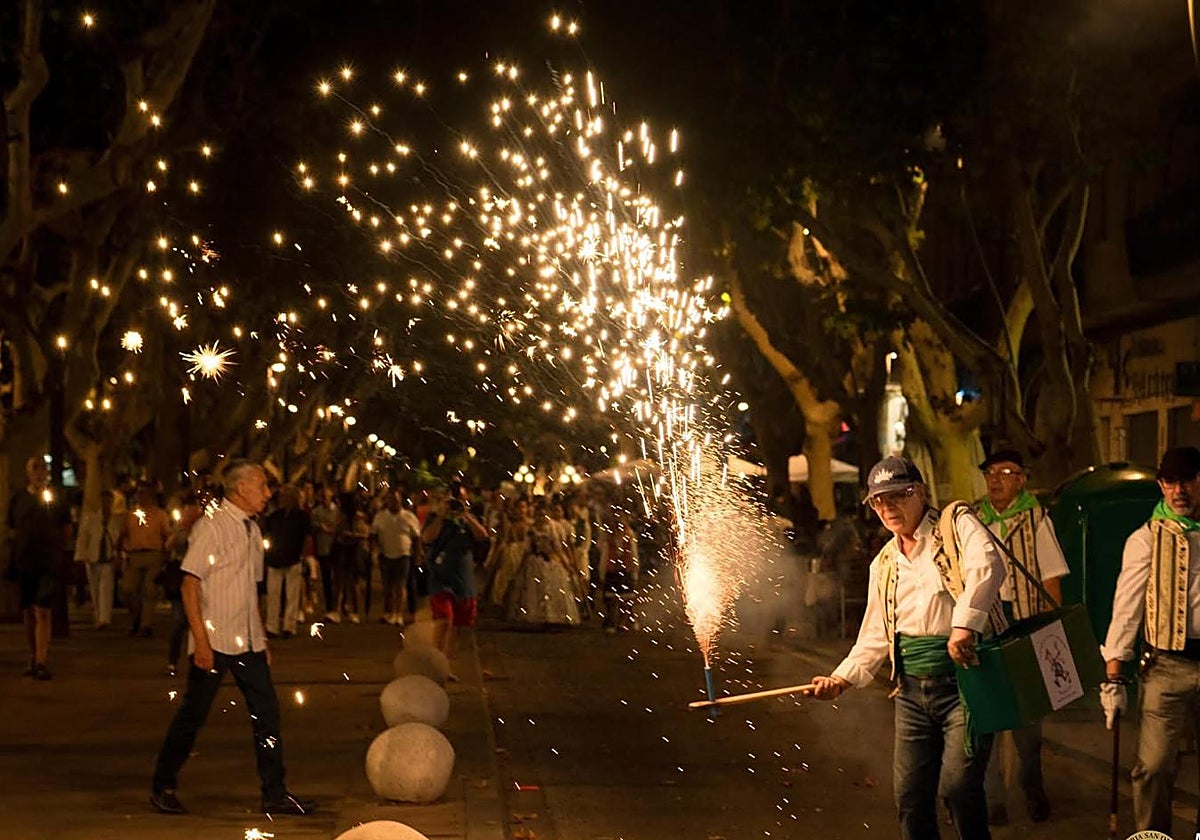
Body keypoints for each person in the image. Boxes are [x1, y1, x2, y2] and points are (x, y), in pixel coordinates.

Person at [806, 456, 1005, 840]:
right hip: (912, 693)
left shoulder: (956, 525)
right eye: (879, 501)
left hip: (966, 683)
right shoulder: (884, 564)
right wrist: (839, 679)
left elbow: (988, 566)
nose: (888, 507)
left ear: (921, 493)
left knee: (959, 787)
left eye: (899, 495)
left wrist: (963, 626)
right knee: (911, 797)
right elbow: (875, 635)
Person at [149, 459, 315, 816]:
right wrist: (201, 642)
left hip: (247, 641)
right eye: (261, 485)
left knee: (267, 712)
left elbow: (248, 589)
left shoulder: (251, 530)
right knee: (194, 713)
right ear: (240, 488)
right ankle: (163, 783)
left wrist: (261, 637)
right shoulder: (213, 526)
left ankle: (274, 791)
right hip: (215, 638)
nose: (267, 493)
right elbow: (190, 584)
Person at [1101, 445, 1200, 835]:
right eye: (1170, 482)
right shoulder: (1145, 539)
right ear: (1160, 485)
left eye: (1187, 480)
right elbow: (1126, 608)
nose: (1179, 491)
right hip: (1166, 667)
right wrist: (1113, 677)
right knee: (1154, 767)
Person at [974, 449, 1068, 825]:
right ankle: (992, 799)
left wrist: (1050, 633)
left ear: (1021, 479)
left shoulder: (1035, 518)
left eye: (1005, 472)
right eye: (990, 473)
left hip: (1024, 620)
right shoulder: (974, 519)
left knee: (1027, 716)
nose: (995, 480)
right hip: (984, 623)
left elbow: (1051, 578)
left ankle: (1032, 788)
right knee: (988, 713)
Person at [7, 457, 71, 680]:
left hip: (48, 561)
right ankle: (33, 655)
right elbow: (12, 527)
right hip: (25, 561)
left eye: (43, 468)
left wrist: (57, 550)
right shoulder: (18, 498)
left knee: (43, 609)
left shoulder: (57, 497)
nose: (40, 472)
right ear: (28, 472)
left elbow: (66, 528)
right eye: (35, 468)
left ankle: (41, 660)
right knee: (28, 611)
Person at [422, 493, 488, 675]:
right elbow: (427, 538)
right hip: (441, 576)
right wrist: (441, 516)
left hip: (463, 577)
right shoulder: (435, 518)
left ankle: (446, 664)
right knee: (444, 618)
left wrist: (466, 515)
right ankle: (435, 663)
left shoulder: (467, 520)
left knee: (458, 624)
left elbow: (483, 536)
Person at [119, 481, 173, 637]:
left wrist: (167, 550)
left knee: (150, 591)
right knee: (129, 589)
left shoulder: (159, 514)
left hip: (153, 554)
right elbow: (123, 534)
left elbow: (167, 534)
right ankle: (136, 618)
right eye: (139, 493)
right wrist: (122, 551)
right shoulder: (131, 514)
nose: (141, 496)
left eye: (144, 493)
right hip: (134, 555)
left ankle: (146, 625)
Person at [263, 485, 310, 639]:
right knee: (273, 594)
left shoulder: (301, 517)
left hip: (293, 558)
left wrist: (302, 555)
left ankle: (289, 625)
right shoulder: (275, 517)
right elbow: (268, 535)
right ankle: (272, 626)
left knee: (292, 594)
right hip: (276, 558)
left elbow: (306, 537)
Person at [371, 492, 422, 625]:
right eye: (391, 500)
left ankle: (398, 613)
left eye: (396, 501)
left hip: (403, 555)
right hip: (385, 554)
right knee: (387, 586)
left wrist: (417, 555)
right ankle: (388, 612)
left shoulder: (409, 517)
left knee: (400, 585)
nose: (393, 503)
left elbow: (416, 537)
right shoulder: (381, 516)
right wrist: (375, 551)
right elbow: (374, 534)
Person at [74, 488, 121, 629]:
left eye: (109, 501)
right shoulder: (91, 518)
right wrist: (81, 555)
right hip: (93, 557)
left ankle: (104, 618)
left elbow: (118, 539)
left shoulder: (115, 520)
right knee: (94, 588)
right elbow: (83, 537)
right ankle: (98, 615)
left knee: (106, 587)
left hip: (107, 558)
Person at [311, 486, 340, 620]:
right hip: (323, 548)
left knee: (337, 579)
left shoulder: (337, 511)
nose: (324, 499)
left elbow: (337, 527)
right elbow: (315, 527)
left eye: (326, 497)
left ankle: (337, 607)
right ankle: (330, 608)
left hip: (336, 548)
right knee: (327, 579)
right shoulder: (316, 512)